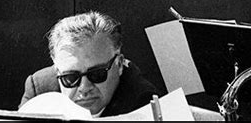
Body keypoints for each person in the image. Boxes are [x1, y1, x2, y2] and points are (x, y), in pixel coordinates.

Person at [19, 11, 158, 117]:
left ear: (119, 65)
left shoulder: (143, 102)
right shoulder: (39, 89)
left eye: (97, 74)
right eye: (71, 77)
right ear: (57, 71)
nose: (84, 88)